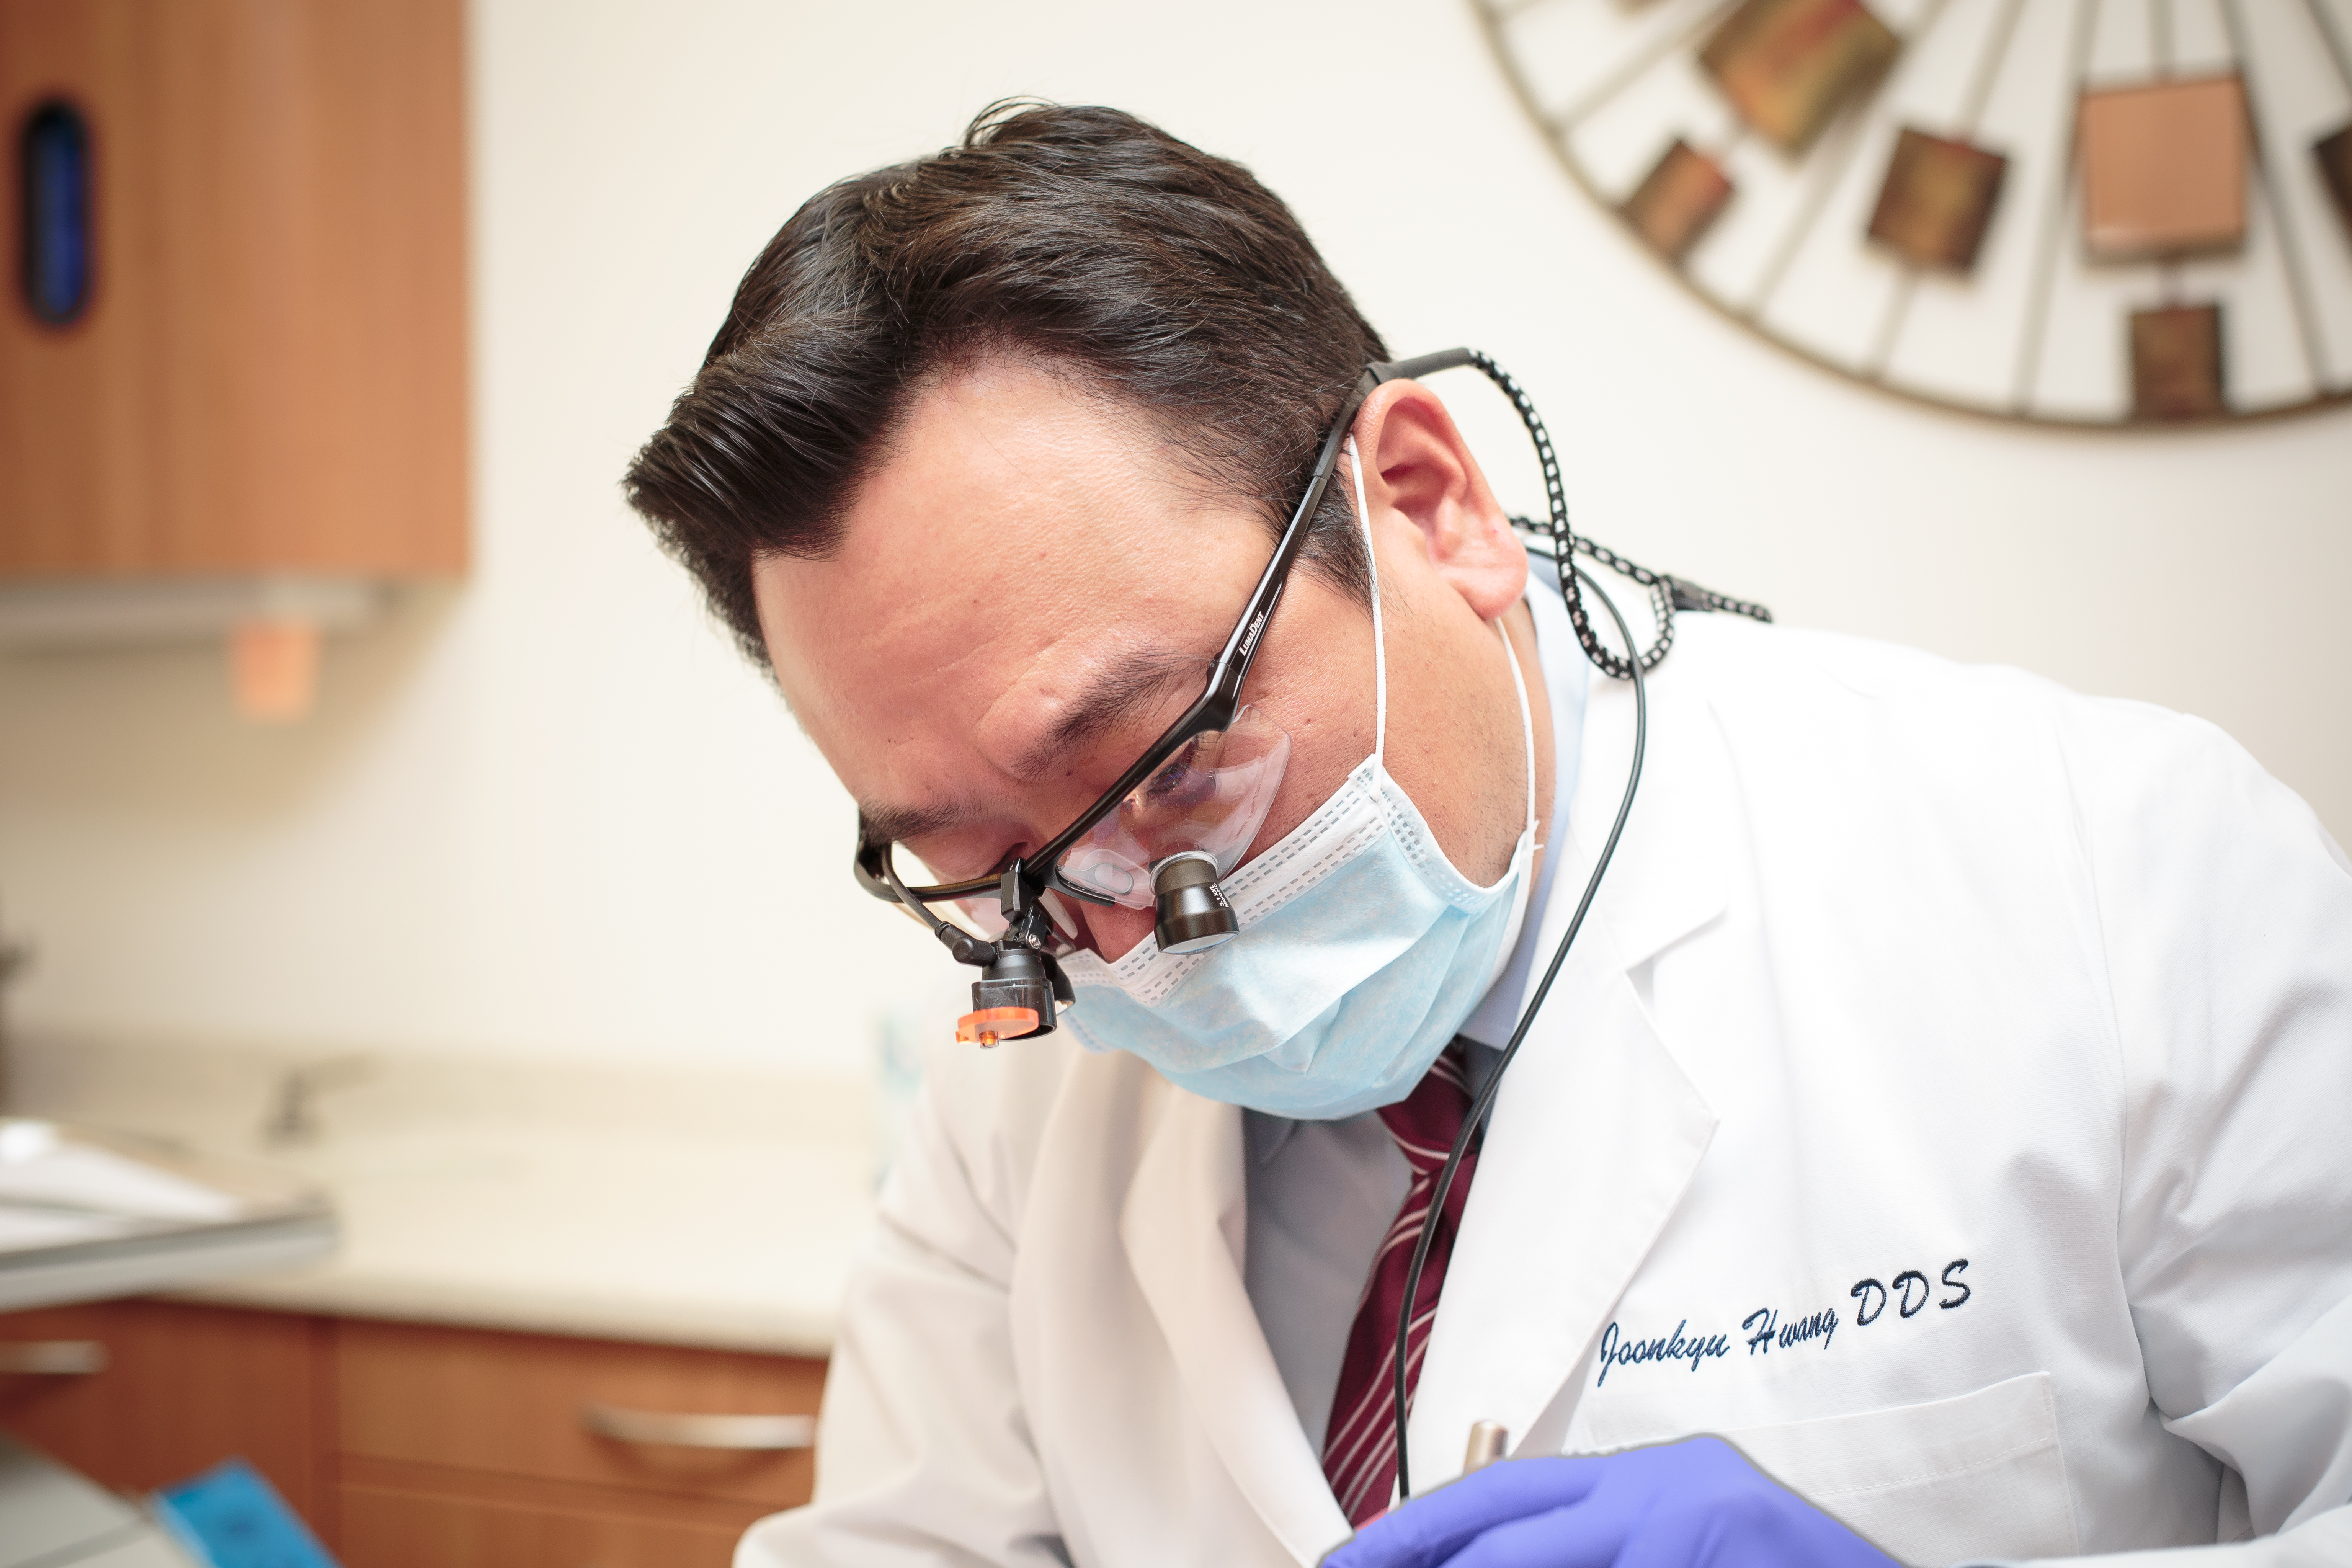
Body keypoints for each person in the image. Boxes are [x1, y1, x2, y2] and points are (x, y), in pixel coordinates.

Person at [622, 103, 2352, 1567]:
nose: (1123, 939)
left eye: (1163, 764)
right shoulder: (1025, 1097)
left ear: (1432, 505)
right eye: (987, 868)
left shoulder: (2118, 877)